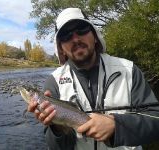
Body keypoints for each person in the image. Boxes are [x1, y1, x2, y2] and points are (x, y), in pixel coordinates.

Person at [27, 8, 159, 150]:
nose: (76, 39)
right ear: (61, 48)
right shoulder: (53, 83)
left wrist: (117, 126)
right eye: (66, 35)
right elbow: (57, 147)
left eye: (82, 29)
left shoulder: (128, 70)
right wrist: (57, 128)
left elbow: (156, 121)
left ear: (95, 36)